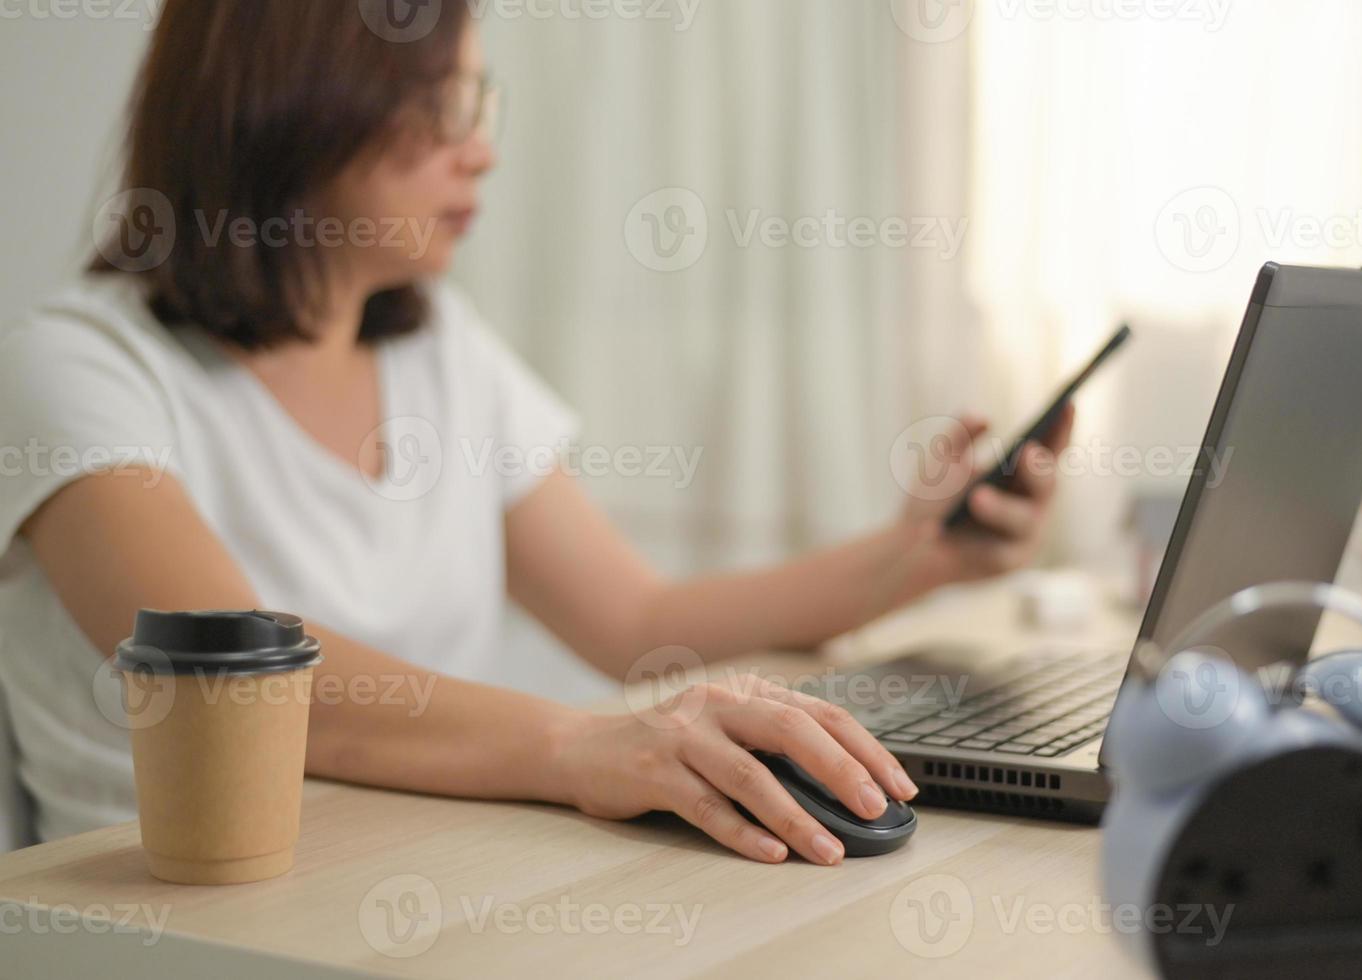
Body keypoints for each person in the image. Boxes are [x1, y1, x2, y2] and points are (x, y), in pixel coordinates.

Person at [0, 1, 1070, 864]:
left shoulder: (441, 353)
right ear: (290, 105)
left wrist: (917, 554)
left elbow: (638, 616)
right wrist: (582, 741)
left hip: (412, 880)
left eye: (482, 104)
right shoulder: (76, 368)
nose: (481, 153)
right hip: (150, 922)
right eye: (440, 104)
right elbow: (245, 683)